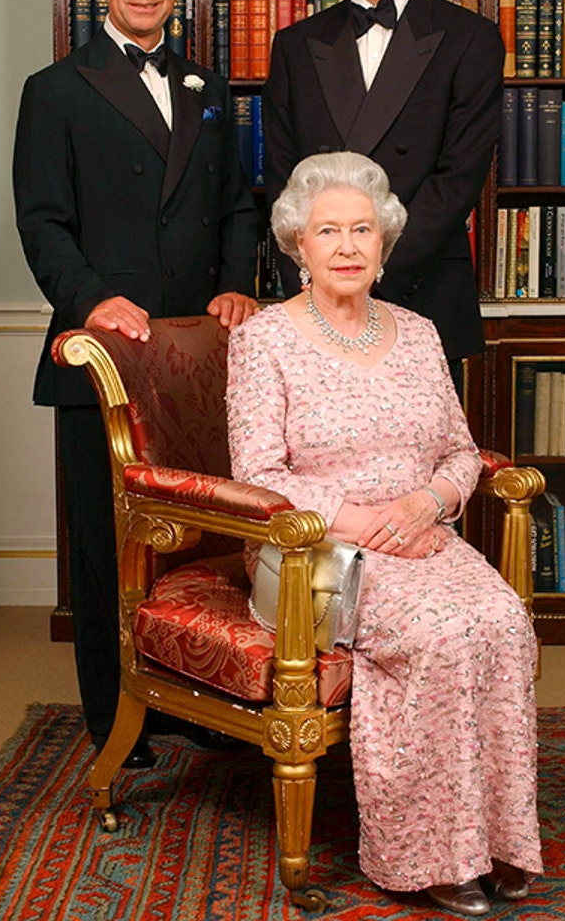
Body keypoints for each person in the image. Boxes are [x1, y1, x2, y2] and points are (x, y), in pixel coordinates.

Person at [226, 152, 541, 916]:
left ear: (383, 244)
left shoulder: (422, 333)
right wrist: (364, 522)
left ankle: (495, 842)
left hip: (420, 533)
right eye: (326, 230)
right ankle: (430, 856)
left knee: (500, 622)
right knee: (436, 635)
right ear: (297, 244)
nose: (345, 245)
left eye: (361, 230)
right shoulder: (265, 340)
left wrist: (426, 506)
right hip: (314, 552)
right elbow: (257, 470)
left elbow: (461, 453)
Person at [14, 0, 260, 768]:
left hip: (196, 358)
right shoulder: (54, 92)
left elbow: (238, 205)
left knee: (192, 540)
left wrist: (237, 284)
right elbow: (43, 223)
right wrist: (91, 300)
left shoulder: (209, 88)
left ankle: (191, 700)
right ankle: (115, 717)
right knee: (106, 543)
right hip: (106, 354)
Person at [262, 0, 505, 393]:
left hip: (422, 296)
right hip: (316, 307)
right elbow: (282, 178)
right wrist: (322, 286)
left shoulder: (470, 39)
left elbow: (457, 180)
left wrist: (367, 274)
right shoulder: (296, 46)